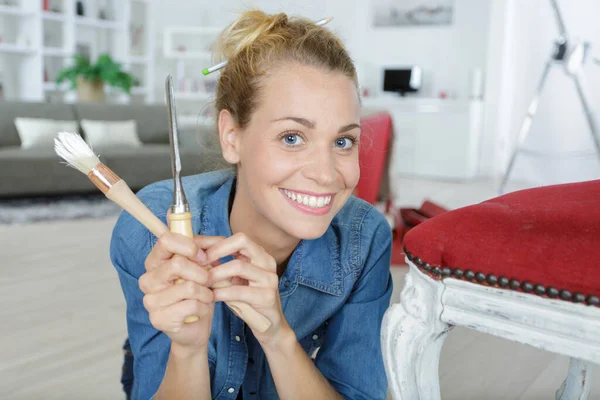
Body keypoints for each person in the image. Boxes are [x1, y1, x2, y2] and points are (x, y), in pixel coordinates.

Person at [110, 9, 393, 400]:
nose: (327, 175)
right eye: (292, 137)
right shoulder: (153, 223)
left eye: (343, 141)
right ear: (231, 137)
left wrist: (278, 336)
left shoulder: (365, 240)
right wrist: (188, 350)